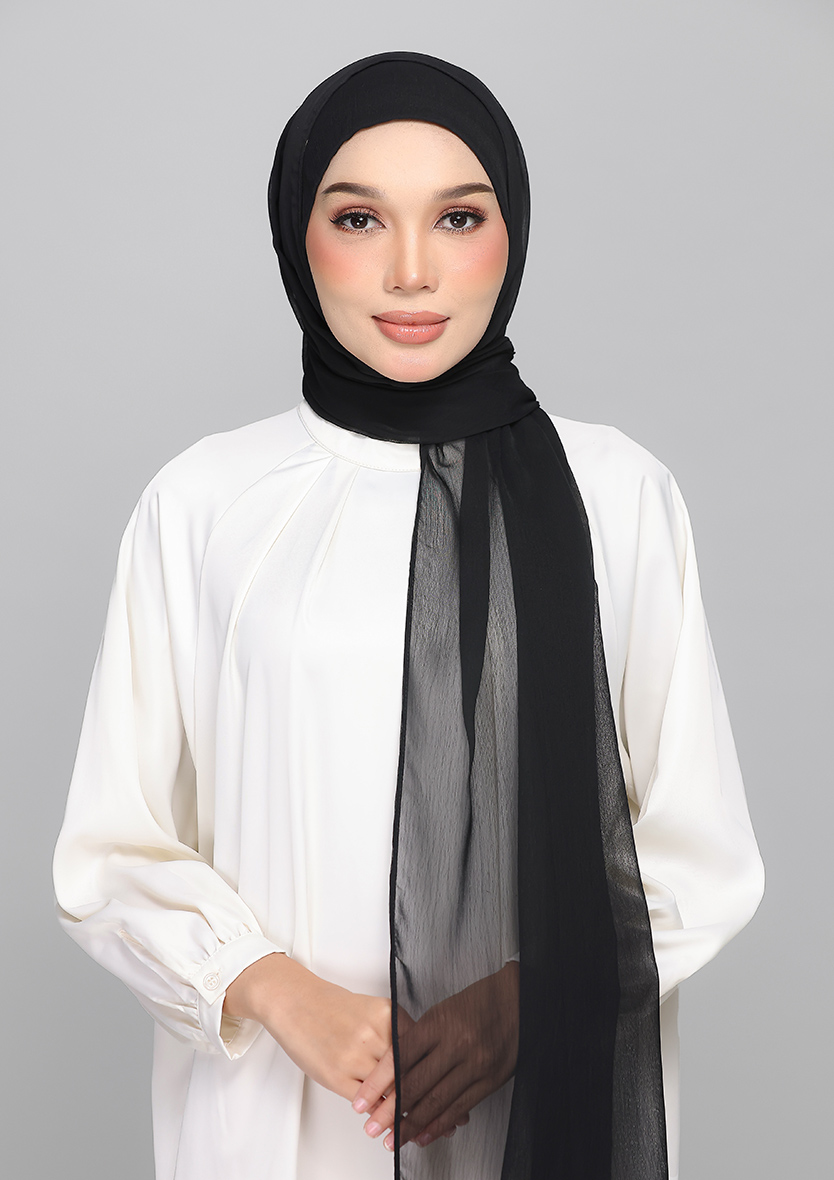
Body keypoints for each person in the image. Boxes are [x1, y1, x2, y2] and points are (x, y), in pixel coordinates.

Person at [53, 51, 764, 1180]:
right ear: (297, 239)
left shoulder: (617, 495)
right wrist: (275, 990)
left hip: (540, 1099)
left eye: (458, 217)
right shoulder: (203, 504)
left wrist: (524, 1001)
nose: (413, 271)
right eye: (359, 219)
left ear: (511, 234)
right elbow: (111, 845)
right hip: (280, 1113)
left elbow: (697, 849)